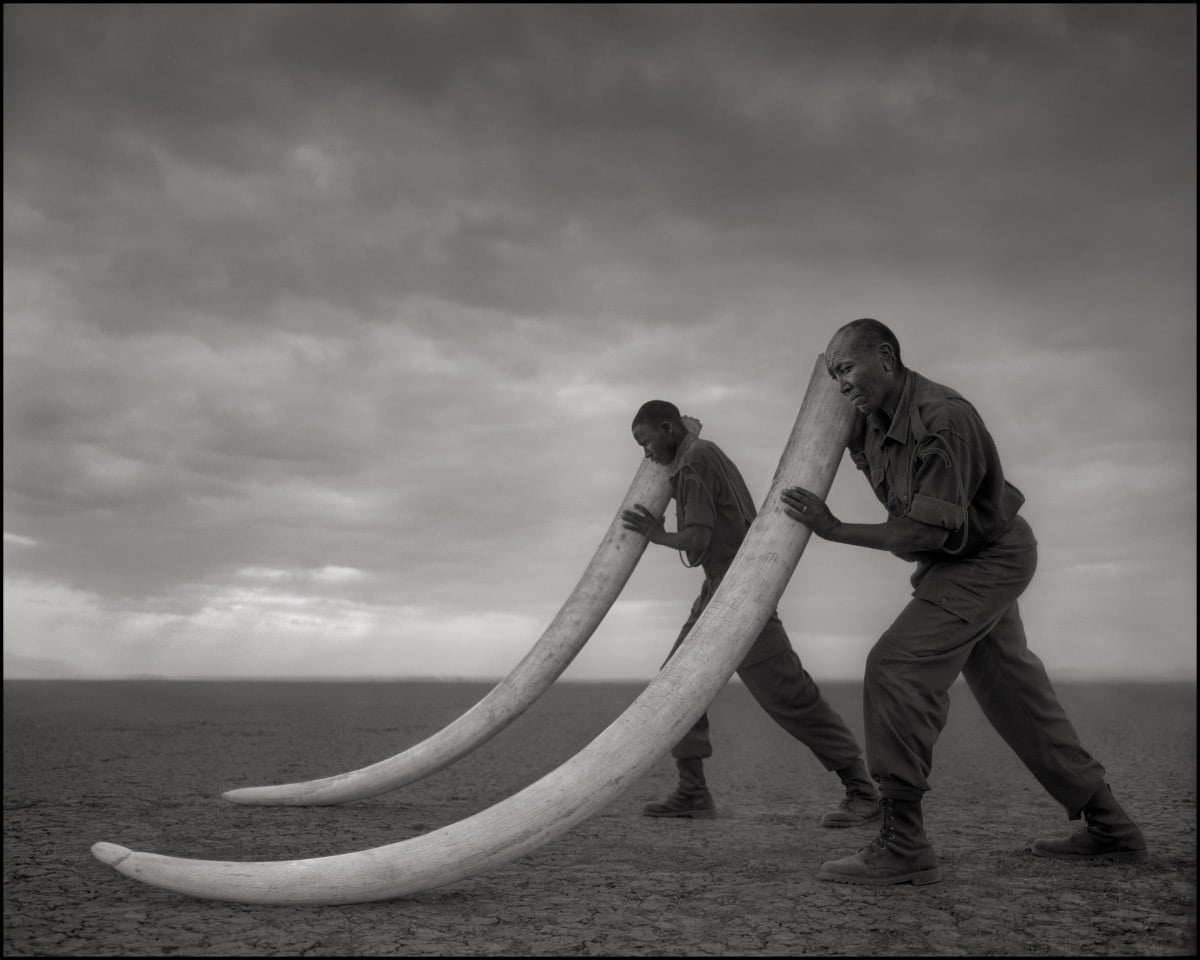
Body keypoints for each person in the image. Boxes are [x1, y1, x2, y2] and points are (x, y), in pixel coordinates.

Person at [780, 317, 1149, 886]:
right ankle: (1111, 827)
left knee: (896, 666)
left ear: (885, 355)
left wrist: (832, 529)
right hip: (956, 562)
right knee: (1014, 695)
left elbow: (920, 534)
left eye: (847, 368)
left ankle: (904, 843)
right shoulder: (869, 417)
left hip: (988, 558)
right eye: (833, 374)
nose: (840, 383)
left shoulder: (944, 419)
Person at [621, 400, 879, 827]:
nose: (645, 454)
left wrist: (656, 535)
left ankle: (862, 790)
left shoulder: (693, 463)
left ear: (668, 429)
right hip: (718, 589)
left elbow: (697, 539)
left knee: (788, 694)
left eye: (646, 442)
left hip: (740, 594)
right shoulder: (702, 453)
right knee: (673, 689)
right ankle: (692, 792)